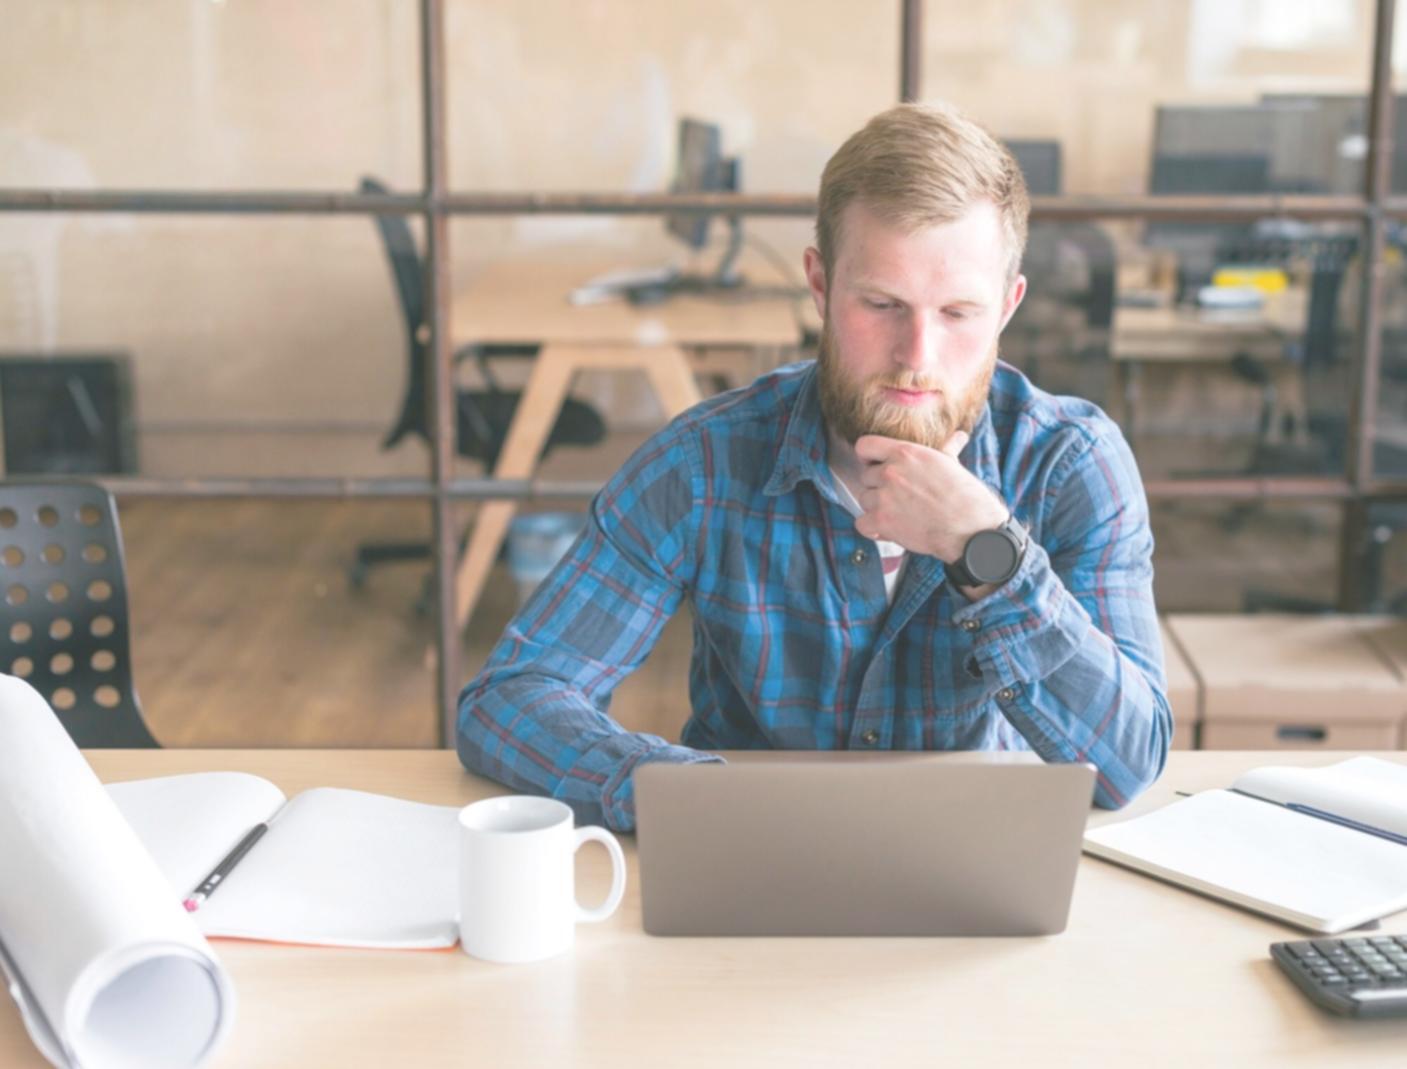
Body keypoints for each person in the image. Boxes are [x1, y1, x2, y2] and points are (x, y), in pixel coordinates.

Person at [457, 102, 1171, 831]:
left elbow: (1124, 762)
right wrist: (687, 794)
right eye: (881, 303)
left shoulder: (1069, 463)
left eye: (957, 313)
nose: (916, 356)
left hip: (975, 872)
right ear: (821, 286)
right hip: (746, 854)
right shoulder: (703, 462)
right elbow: (512, 698)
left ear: (1007, 306)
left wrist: (986, 551)